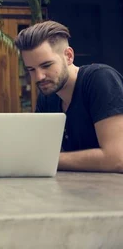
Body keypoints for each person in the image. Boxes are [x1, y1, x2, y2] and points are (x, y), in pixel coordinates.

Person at [15, 21, 123, 173]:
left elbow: (117, 159)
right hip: (80, 190)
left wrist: (45, 159)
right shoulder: (47, 98)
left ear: (68, 56)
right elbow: (37, 151)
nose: (39, 77)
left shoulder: (99, 79)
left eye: (46, 65)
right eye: (31, 69)